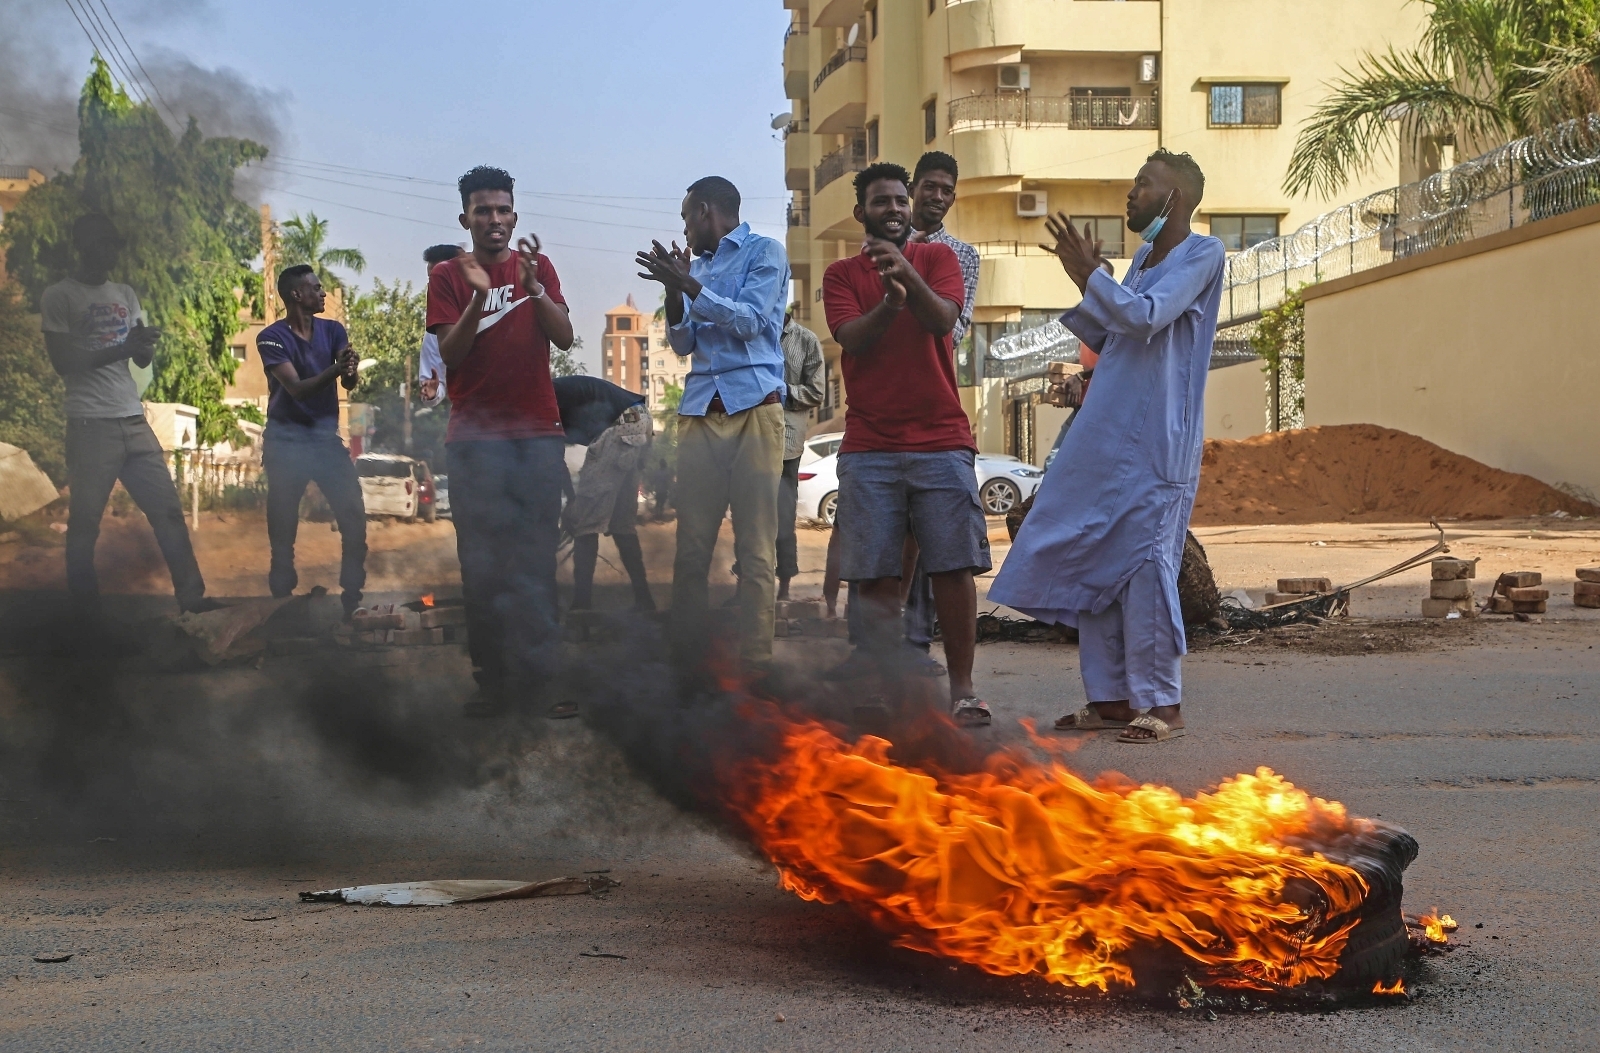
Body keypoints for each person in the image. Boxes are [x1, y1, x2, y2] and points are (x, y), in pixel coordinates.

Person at [988, 148, 1225, 744]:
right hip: (1106, 437)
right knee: (1096, 557)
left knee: (1147, 566)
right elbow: (1112, 330)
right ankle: (1111, 700)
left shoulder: (1203, 253)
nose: (1132, 193)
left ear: (1177, 198)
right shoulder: (1144, 257)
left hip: (1157, 443)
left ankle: (1162, 702)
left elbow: (1145, 318)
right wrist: (1085, 279)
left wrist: (1094, 278)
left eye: (1144, 184)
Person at [821, 163, 992, 727]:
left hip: (942, 438)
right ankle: (878, 684)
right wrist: (889, 303)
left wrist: (907, 279)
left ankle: (963, 689)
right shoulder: (840, 274)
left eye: (900, 200)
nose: (894, 208)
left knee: (953, 568)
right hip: (869, 445)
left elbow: (943, 319)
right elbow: (852, 339)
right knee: (874, 575)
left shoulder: (939, 260)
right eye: (881, 202)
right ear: (861, 213)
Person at [427, 165, 575, 718]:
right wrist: (476, 299)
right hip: (474, 444)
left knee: (536, 564)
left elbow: (562, 337)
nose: (494, 220)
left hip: (537, 438)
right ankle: (493, 684)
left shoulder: (538, 268)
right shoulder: (447, 274)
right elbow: (450, 355)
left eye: (503, 210)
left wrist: (534, 289)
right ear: (464, 217)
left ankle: (543, 682)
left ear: (515, 215)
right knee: (483, 567)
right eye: (483, 210)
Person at [635, 177, 789, 676]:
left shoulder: (765, 252)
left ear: (705, 211)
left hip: (755, 410)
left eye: (685, 218)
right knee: (691, 548)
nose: (684, 228)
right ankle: (688, 660)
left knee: (756, 550)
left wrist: (688, 285)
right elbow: (682, 344)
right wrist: (673, 289)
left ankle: (756, 665)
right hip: (702, 411)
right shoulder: (692, 269)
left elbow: (749, 322)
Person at [41, 213, 217, 617]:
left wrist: (142, 345)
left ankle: (192, 600)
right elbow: (62, 361)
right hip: (90, 424)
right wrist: (123, 348)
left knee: (169, 512)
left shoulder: (124, 292)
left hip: (133, 420)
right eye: (104, 243)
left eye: (114, 244)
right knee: (85, 524)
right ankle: (86, 617)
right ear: (83, 245)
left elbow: (141, 357)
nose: (111, 251)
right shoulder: (60, 295)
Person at [255, 264, 366, 615]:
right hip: (285, 441)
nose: (323, 294)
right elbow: (297, 389)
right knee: (284, 525)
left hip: (323, 439)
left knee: (353, 515)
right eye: (316, 288)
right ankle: (282, 598)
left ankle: (352, 596)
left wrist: (350, 370)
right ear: (296, 295)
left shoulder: (333, 329)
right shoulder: (270, 337)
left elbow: (347, 385)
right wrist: (337, 369)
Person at [563, 405, 655, 612]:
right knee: (622, 527)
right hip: (631, 441)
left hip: (621, 443)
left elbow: (632, 433)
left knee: (587, 528)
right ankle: (644, 599)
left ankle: (582, 603)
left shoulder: (621, 413)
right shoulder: (630, 410)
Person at [776, 306, 824, 600]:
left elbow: (816, 392)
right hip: (751, 442)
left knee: (783, 518)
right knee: (749, 519)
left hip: (786, 446)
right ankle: (747, 587)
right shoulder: (751, 333)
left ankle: (783, 589)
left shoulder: (806, 340)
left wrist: (779, 391)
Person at [418, 244, 463, 408]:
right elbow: (436, 383)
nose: (434, 287)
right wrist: (433, 392)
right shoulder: (435, 333)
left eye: (440, 278)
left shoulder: (497, 301)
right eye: (431, 280)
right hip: (472, 420)